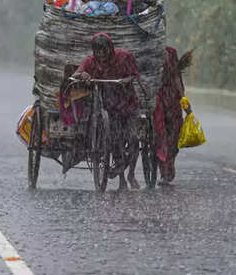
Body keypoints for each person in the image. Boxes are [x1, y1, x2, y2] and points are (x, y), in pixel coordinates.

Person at [72, 32, 142, 190]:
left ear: (110, 48)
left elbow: (134, 74)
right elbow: (75, 74)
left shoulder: (124, 57)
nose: (101, 55)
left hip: (129, 104)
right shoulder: (90, 62)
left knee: (133, 138)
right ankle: (121, 177)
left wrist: (126, 80)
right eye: (98, 51)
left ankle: (131, 173)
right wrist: (82, 75)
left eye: (104, 51)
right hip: (110, 108)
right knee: (115, 140)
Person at [152, 47, 192, 185]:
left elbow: (180, 89)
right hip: (160, 108)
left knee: (172, 141)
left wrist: (187, 107)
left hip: (172, 109)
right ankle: (165, 172)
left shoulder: (174, 74)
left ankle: (167, 169)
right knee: (162, 138)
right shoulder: (156, 70)